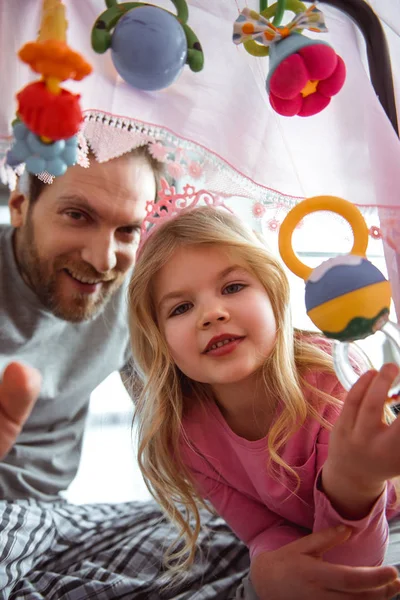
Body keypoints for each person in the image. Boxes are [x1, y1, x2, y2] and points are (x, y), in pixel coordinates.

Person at [0, 151, 251, 599]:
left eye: (127, 230)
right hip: (10, 525)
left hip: (53, 524)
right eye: (77, 215)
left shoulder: (128, 301)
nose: (102, 260)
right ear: (20, 204)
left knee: (241, 536)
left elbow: (193, 440)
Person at [128, 200, 400, 600]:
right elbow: (262, 531)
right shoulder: (185, 434)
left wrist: (355, 482)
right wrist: (269, 566)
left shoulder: (327, 378)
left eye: (233, 287)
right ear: (160, 340)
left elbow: (352, 566)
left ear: (274, 296)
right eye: (181, 307)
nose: (212, 313)